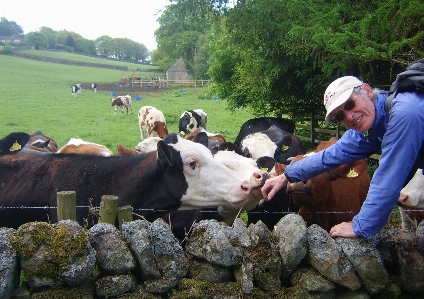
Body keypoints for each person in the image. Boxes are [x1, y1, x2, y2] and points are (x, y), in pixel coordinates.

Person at [261, 75, 424, 239]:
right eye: (339, 116)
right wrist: (287, 175)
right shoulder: (376, 122)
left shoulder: (405, 113)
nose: (350, 116)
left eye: (350, 104)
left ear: (367, 91)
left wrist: (361, 225)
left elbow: (390, 176)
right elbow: (330, 156)